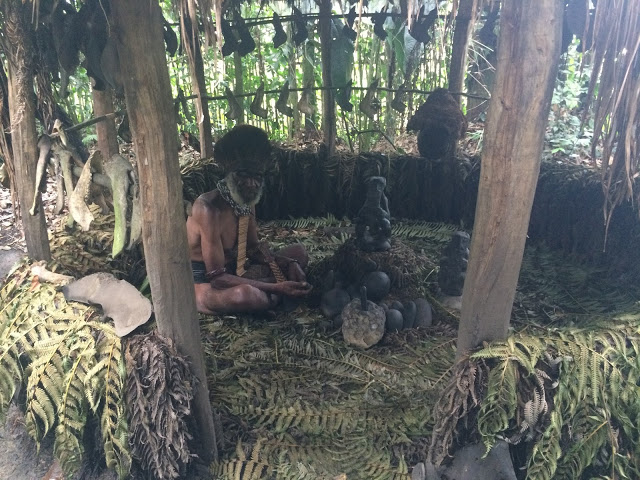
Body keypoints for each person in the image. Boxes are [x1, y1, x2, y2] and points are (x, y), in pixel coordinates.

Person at [187, 124, 312, 314]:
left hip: (235, 269)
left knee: (299, 253)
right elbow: (218, 279)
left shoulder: (246, 202)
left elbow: (253, 249)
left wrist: (289, 263)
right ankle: (269, 295)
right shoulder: (207, 210)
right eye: (243, 175)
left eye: (257, 176)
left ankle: (270, 295)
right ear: (229, 174)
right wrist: (276, 286)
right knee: (246, 296)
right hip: (204, 282)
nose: (251, 183)